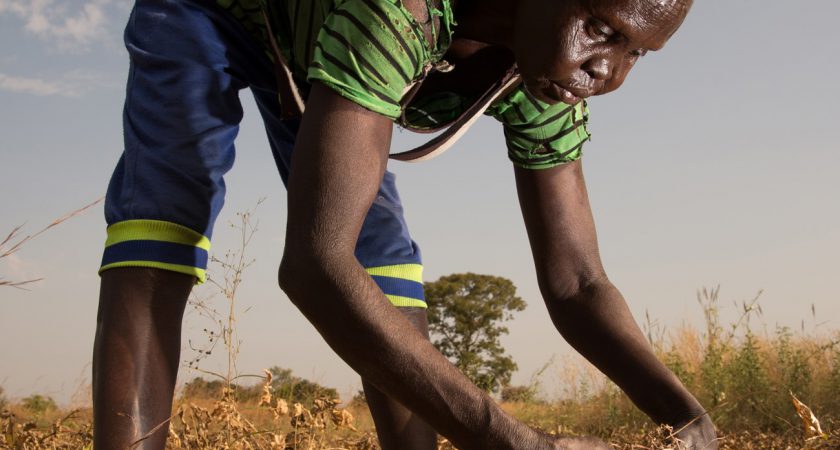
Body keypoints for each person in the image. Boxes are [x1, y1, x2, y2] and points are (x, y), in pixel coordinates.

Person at [92, 0, 718, 448]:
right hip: (212, 11)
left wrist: (686, 416)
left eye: (637, 52)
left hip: (323, 44)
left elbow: (578, 284)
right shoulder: (398, 12)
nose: (610, 73)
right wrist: (512, 440)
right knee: (164, 218)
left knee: (385, 260)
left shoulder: (544, 83)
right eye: (601, 29)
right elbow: (314, 266)